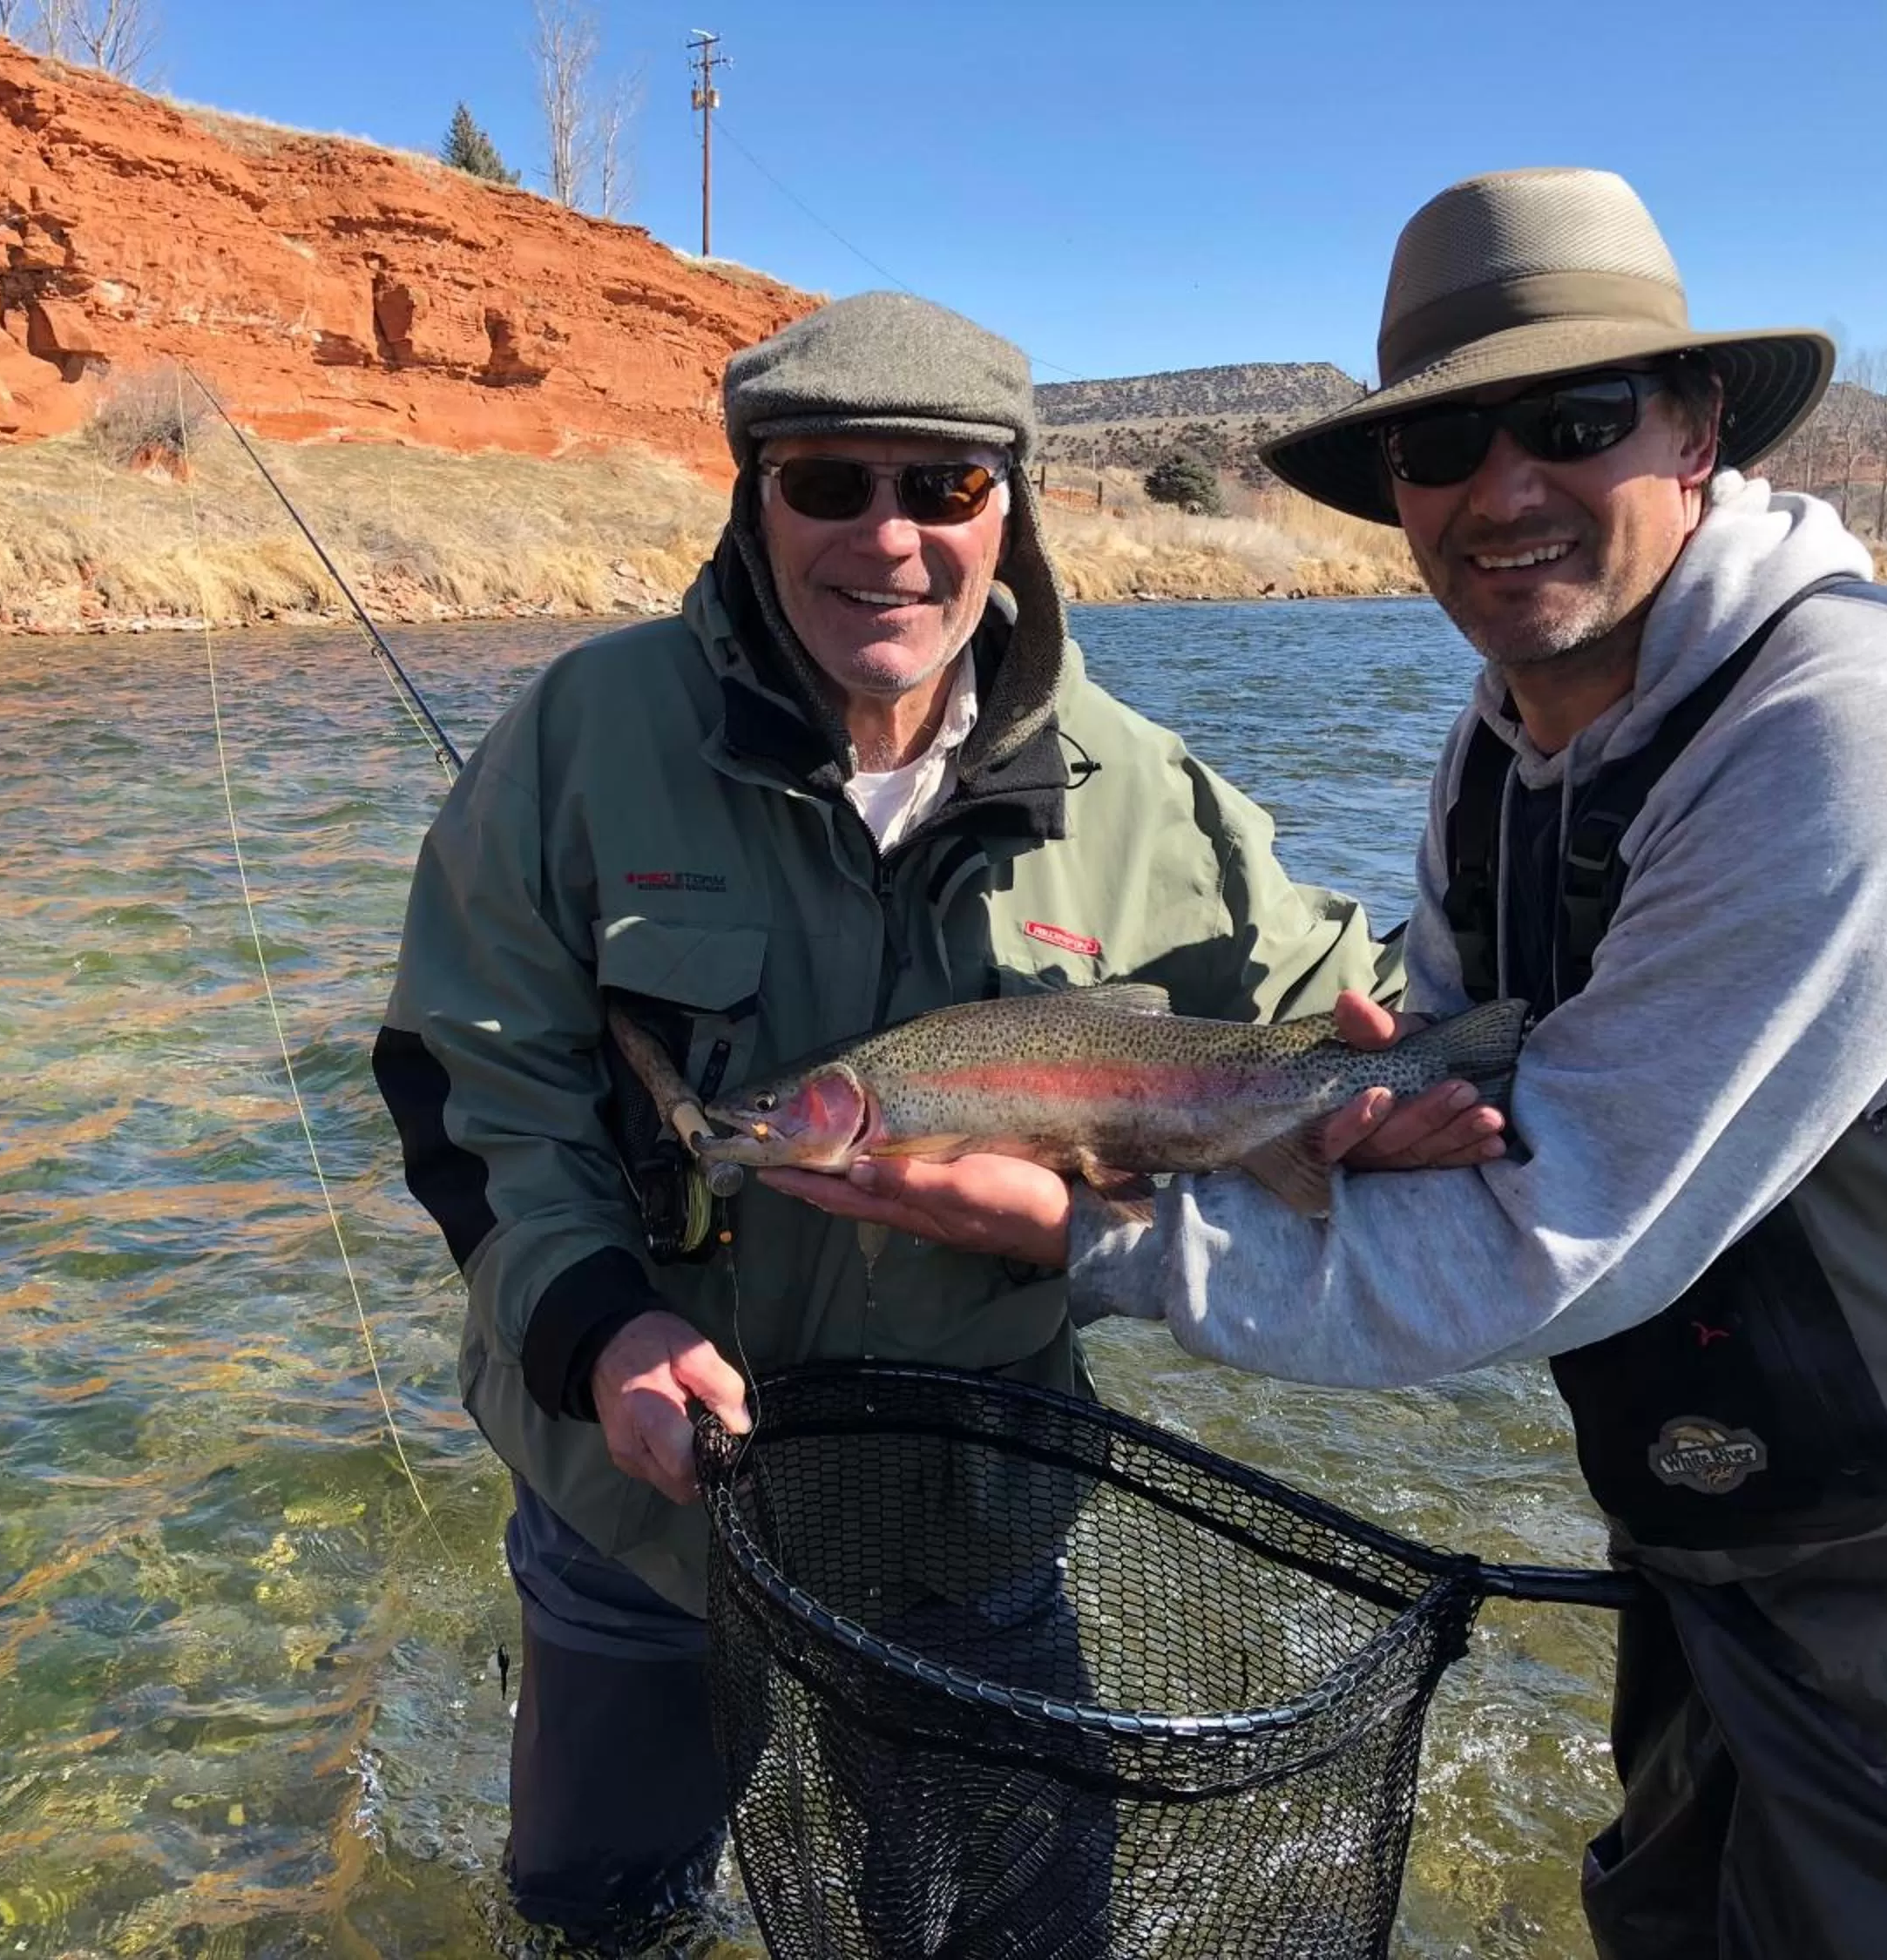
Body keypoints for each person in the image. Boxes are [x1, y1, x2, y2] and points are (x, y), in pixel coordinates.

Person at [810, 171, 1887, 1957]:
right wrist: (1350, 1123)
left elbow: (1553, 1238)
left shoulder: (1856, 735)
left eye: (1572, 422)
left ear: (1699, 431)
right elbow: (1477, 1137)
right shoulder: (1501, 753)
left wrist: (1086, 1235)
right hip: (1730, 1550)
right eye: (1445, 446)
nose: (1505, 490)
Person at [371, 289, 1496, 1950]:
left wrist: (1398, 1092)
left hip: (968, 1508)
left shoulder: (1145, 789)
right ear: (755, 498)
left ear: (1009, 514)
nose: (885, 537)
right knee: (601, 1918)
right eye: (830, 482)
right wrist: (598, 1328)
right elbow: (467, 1083)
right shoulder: (587, 735)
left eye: (943, 489)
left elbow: (1355, 1000)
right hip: (641, 1510)